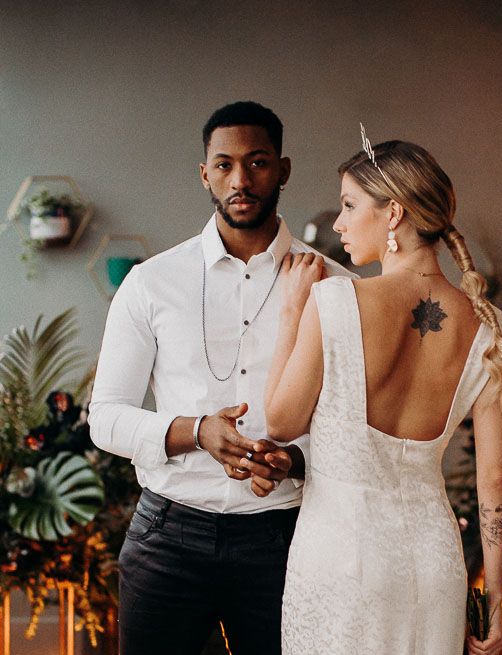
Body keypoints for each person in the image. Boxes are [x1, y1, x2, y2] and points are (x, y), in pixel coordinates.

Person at [88, 101, 353, 655]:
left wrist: (296, 460)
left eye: (256, 163)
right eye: (224, 164)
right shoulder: (150, 283)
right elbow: (106, 417)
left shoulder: (335, 285)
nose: (240, 180)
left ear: (282, 169)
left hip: (286, 537)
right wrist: (197, 431)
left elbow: (355, 422)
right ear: (204, 173)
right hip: (167, 538)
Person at [262, 135, 502, 655]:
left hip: (340, 562)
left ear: (394, 214)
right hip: (434, 566)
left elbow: (280, 422)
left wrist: (290, 313)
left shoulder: (333, 302)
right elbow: (496, 477)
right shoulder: (490, 326)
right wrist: (493, 599)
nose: (338, 223)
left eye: (350, 205)